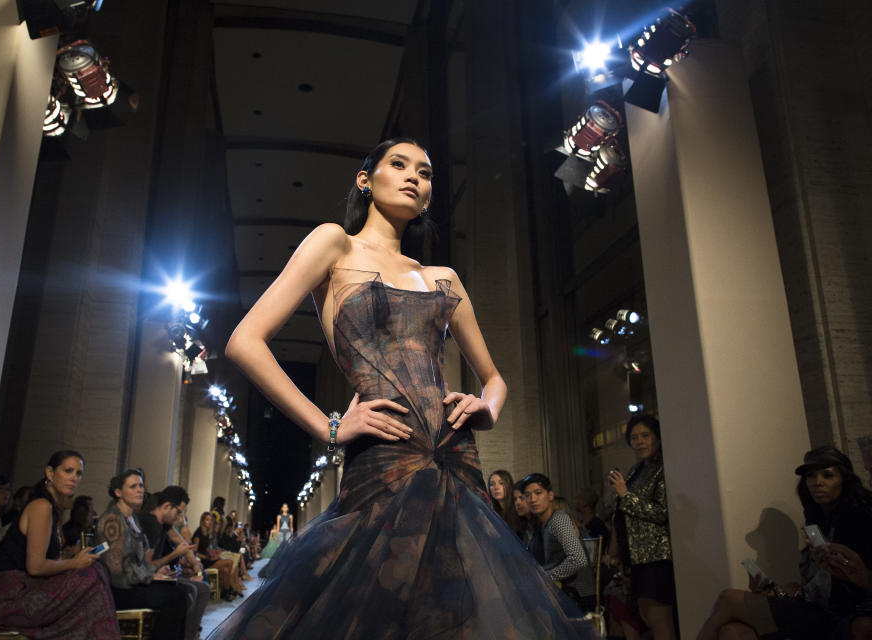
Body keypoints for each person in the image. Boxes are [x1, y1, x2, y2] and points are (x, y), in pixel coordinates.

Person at [222, 138, 595, 638]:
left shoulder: (443, 278)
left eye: (425, 171)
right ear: (365, 179)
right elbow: (245, 341)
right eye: (398, 165)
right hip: (383, 454)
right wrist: (328, 426)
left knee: (454, 606)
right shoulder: (335, 243)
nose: (413, 176)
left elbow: (496, 379)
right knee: (376, 607)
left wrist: (488, 408)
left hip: (456, 457)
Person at [697, 445, 872, 640]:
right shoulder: (817, 522)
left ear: (844, 480)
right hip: (812, 606)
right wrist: (775, 590)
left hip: (835, 613)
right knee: (732, 631)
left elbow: (845, 585)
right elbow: (813, 585)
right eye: (811, 476)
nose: (818, 482)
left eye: (827, 476)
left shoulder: (859, 517)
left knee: (728, 598)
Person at [0, 450, 118, 639]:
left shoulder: (52, 509)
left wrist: (74, 559)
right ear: (50, 473)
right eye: (68, 471)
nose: (74, 478)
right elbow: (35, 566)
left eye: (78, 473)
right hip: (9, 595)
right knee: (93, 574)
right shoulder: (42, 506)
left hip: (28, 588)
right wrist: (75, 562)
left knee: (94, 572)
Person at [606, 414, 676, 640]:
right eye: (634, 437)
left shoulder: (663, 469)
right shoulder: (636, 470)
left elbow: (662, 512)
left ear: (657, 437)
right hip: (636, 559)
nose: (639, 441)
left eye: (645, 435)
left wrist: (625, 495)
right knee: (644, 617)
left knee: (659, 620)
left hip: (655, 557)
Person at [97, 468, 187, 640]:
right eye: (133, 486)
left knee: (180, 591)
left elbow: (139, 561)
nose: (140, 490)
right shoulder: (112, 520)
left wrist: (155, 571)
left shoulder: (133, 520)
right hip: (118, 590)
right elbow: (116, 571)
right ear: (118, 492)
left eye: (141, 485)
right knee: (175, 598)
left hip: (133, 583)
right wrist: (149, 576)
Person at [137, 486, 209, 640]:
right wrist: (174, 556)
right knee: (190, 591)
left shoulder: (161, 524)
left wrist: (195, 564)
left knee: (200, 587)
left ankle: (190, 634)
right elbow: (146, 565)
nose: (179, 517)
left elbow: (180, 542)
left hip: (151, 574)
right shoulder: (151, 523)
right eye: (179, 512)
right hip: (142, 579)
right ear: (167, 506)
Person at [522, 473, 597, 612]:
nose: (532, 499)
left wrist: (545, 577)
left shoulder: (558, 519)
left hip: (576, 595)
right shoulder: (541, 524)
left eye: (538, 493)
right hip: (561, 593)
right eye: (527, 495)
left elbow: (578, 559)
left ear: (550, 496)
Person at [192, 511, 245, 599]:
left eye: (210, 520)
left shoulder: (206, 533)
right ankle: (231, 589)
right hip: (204, 562)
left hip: (209, 560)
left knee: (225, 570)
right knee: (229, 562)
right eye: (207, 520)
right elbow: (195, 552)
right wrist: (206, 556)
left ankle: (226, 592)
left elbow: (207, 548)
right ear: (202, 521)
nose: (209, 522)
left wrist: (213, 553)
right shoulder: (198, 534)